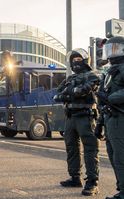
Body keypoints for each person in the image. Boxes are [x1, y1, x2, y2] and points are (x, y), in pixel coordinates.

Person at [54, 48, 100, 196]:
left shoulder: (92, 76)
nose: (75, 63)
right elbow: (57, 95)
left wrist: (70, 93)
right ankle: (75, 177)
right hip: (70, 117)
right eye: (73, 60)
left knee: (90, 149)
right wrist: (72, 93)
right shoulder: (69, 79)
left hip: (85, 117)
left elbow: (84, 90)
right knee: (71, 148)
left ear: (86, 60)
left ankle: (92, 182)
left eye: (78, 59)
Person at [96, 36, 124, 199]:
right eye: (109, 49)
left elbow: (109, 96)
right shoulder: (109, 72)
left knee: (121, 156)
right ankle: (121, 189)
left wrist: (111, 98)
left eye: (115, 48)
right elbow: (102, 97)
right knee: (114, 156)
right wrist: (100, 124)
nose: (111, 53)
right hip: (109, 118)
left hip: (120, 118)